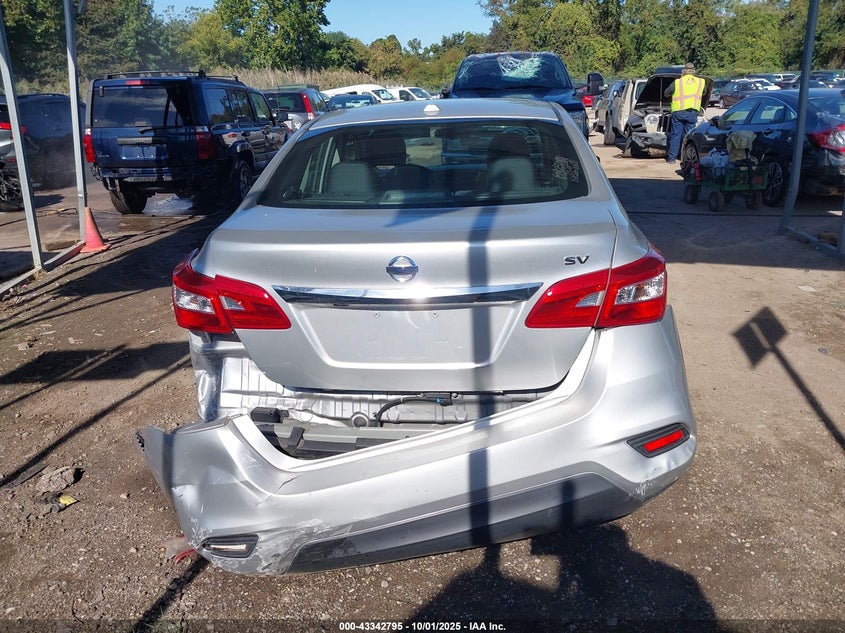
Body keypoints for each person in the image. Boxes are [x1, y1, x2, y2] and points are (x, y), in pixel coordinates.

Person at [664, 62, 706, 164]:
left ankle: (672, 158)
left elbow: (666, 93)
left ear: (683, 71)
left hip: (678, 113)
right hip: (692, 113)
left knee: (676, 135)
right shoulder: (701, 82)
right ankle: (687, 158)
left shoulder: (678, 82)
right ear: (694, 71)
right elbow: (704, 92)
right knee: (690, 137)